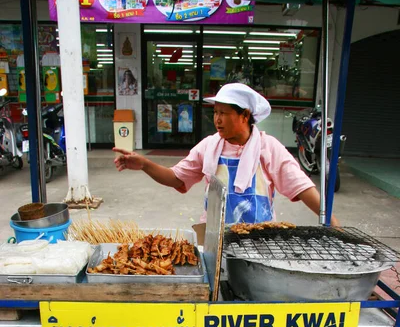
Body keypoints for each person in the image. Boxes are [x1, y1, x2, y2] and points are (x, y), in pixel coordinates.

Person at [113, 83, 338, 226]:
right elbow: (176, 178)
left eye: (224, 113)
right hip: (213, 237)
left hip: (260, 241)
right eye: (215, 112)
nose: (217, 119)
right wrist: (144, 164)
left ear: (244, 115)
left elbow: (303, 187)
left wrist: (335, 226)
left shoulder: (268, 147)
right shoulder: (208, 146)